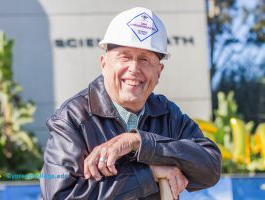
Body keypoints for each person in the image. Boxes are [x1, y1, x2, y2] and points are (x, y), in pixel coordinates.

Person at [40, 7, 221, 200]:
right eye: (124, 56)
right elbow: (59, 195)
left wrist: (138, 142)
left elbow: (210, 167)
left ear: (158, 72)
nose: (134, 69)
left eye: (145, 59)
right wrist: (149, 174)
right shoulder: (72, 119)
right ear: (104, 64)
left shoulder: (168, 115)